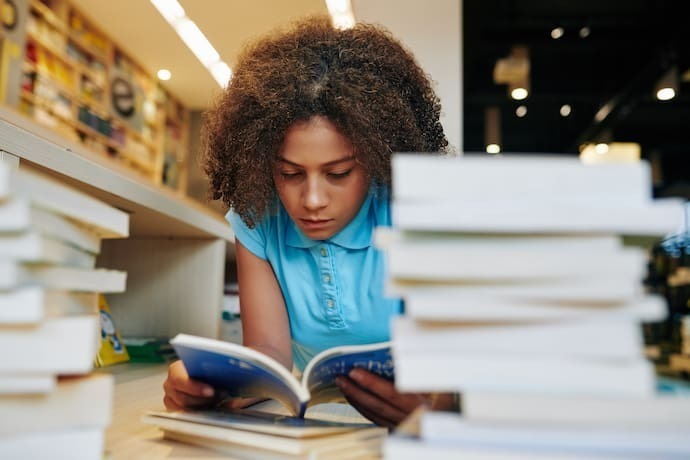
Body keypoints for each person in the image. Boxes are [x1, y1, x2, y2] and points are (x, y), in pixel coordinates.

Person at [163, 15, 455, 428]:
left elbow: (456, 364)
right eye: (290, 173)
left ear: (374, 162)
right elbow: (270, 359)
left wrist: (440, 409)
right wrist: (208, 385)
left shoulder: (416, 215)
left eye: (338, 174)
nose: (312, 200)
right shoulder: (257, 218)